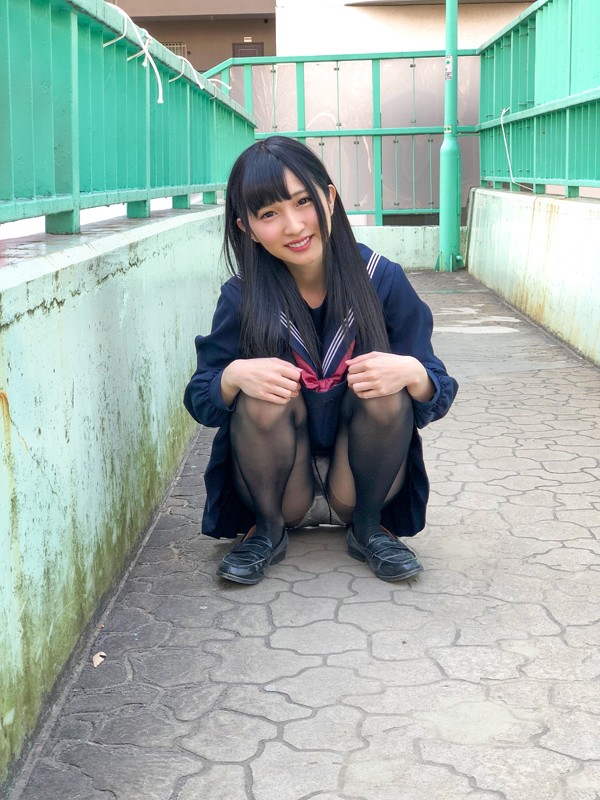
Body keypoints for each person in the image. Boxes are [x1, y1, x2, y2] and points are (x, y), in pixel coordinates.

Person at [184, 136, 458, 585]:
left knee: (385, 387)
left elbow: (437, 389)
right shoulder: (242, 296)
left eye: (303, 201)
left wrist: (412, 373)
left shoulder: (381, 280)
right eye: (269, 214)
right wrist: (232, 377)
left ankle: (368, 530)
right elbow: (201, 396)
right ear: (247, 227)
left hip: (362, 483)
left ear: (329, 198)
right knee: (262, 392)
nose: (293, 226)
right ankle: (267, 532)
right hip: (279, 489)